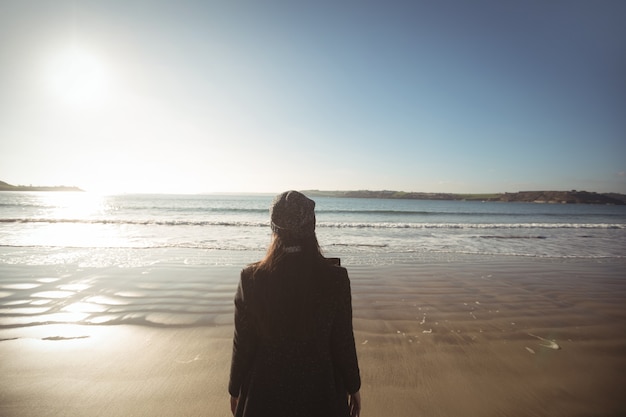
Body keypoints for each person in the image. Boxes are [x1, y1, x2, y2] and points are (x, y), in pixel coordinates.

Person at [228, 191, 361, 417]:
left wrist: (235, 389)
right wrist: (353, 386)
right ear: (312, 226)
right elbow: (342, 340)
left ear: (273, 228)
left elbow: (243, 344)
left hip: (263, 393)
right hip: (323, 392)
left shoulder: (251, 278)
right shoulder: (335, 278)